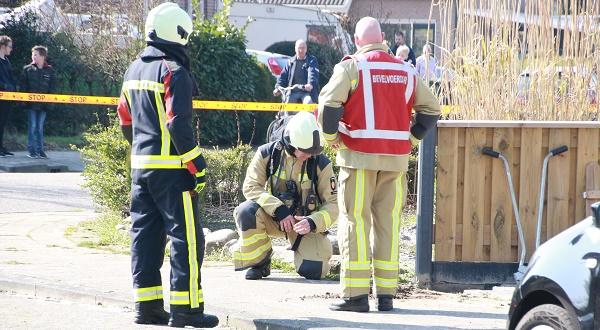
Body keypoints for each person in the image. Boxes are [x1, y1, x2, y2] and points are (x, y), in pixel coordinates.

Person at [318, 16, 440, 312]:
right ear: (383, 37)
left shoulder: (351, 67)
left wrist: (330, 138)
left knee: (355, 221)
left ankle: (356, 296)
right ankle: (386, 295)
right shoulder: (406, 70)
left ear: (358, 41)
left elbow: (328, 106)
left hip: (358, 159)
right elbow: (431, 110)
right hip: (395, 163)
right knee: (388, 223)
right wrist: (410, 141)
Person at [116, 2, 218, 328]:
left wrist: (142, 153)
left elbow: (124, 119)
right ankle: (186, 310)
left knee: (144, 238)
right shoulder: (174, 71)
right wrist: (197, 165)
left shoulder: (132, 70)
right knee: (186, 239)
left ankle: (147, 308)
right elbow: (178, 125)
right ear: (180, 33)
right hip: (173, 172)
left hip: (140, 171)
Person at [233, 112, 338, 281]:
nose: (310, 155)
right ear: (291, 143)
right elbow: (251, 186)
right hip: (275, 218)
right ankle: (260, 262)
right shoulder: (267, 153)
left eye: (312, 151)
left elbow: (333, 204)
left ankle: (305, 253)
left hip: (305, 225)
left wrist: (312, 222)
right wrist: (278, 209)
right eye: (305, 151)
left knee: (313, 270)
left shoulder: (321, 164)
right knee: (246, 212)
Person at [21, 45, 55, 159]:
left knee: (39, 127)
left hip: (44, 106)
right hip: (31, 105)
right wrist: (24, 101)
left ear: (42, 56)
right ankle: (32, 151)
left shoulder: (50, 70)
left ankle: (40, 151)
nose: (33, 56)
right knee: (33, 126)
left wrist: (50, 102)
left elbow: (52, 88)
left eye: (35, 54)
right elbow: (23, 87)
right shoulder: (27, 69)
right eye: (32, 54)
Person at [273, 39, 319, 104]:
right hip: (292, 93)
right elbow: (283, 76)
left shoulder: (311, 60)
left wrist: (310, 84)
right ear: (295, 49)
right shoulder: (290, 62)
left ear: (306, 49)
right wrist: (278, 87)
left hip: (307, 93)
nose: (301, 50)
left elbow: (313, 73)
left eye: (303, 48)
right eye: (299, 48)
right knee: (286, 105)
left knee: (308, 102)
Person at [0, 35, 15, 157]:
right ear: (3, 46)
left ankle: (1, 147)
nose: (11, 49)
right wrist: (4, 85)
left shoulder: (7, 61)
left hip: (7, 98)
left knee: (3, 122)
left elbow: (11, 77)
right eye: (10, 46)